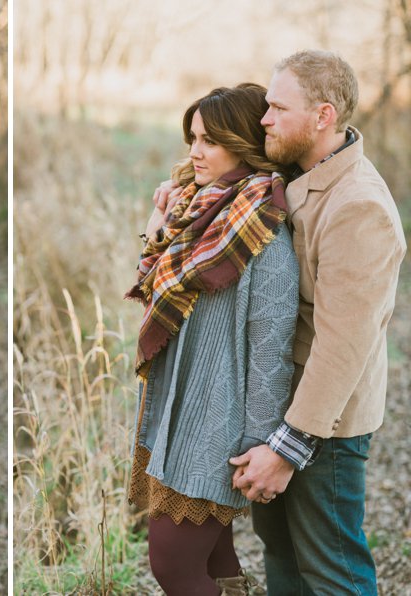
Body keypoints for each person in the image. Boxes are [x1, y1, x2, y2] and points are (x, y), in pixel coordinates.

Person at [225, 50, 407, 595]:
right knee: (284, 562)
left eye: (278, 107)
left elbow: (343, 347)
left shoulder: (358, 206)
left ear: (324, 116)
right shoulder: (295, 172)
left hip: (322, 426)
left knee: (333, 573)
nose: (264, 119)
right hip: (281, 402)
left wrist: (286, 450)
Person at [125, 83, 299, 595]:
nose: (195, 152)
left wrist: (257, 445)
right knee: (216, 561)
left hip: (218, 430)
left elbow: (271, 352)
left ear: (242, 144)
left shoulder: (261, 230)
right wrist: (160, 220)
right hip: (180, 414)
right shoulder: (203, 210)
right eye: (193, 139)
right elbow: (154, 282)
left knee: (172, 566)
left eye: (210, 141)